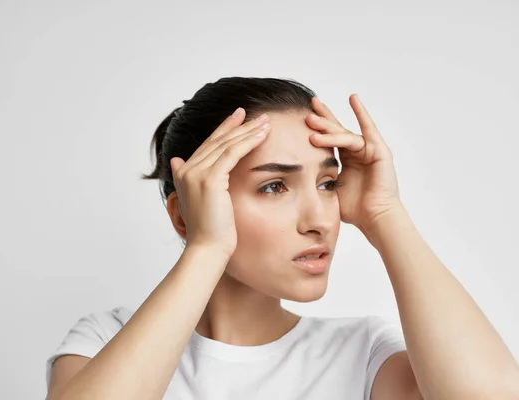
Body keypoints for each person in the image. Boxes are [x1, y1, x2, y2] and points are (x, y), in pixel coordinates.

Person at [44, 77, 519, 400]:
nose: (320, 220)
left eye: (328, 184)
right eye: (274, 186)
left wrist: (385, 213)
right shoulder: (105, 341)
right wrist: (206, 247)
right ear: (184, 214)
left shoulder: (364, 355)